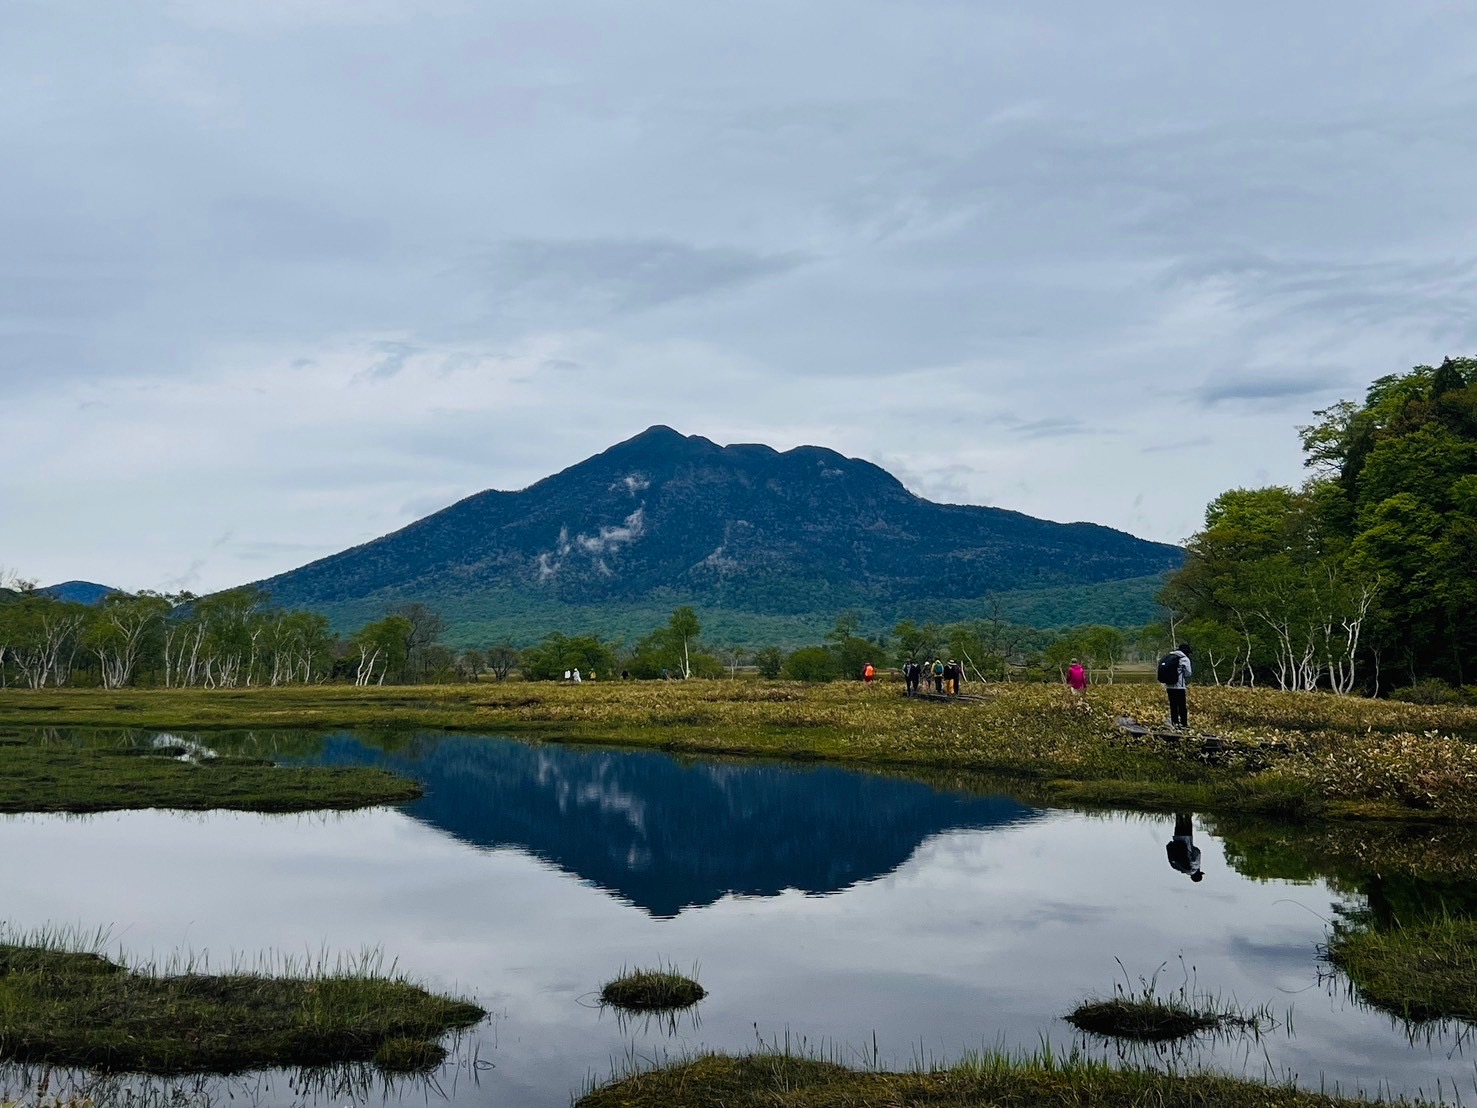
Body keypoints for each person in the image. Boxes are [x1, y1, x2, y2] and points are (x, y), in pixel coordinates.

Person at [1158, 643, 1193, 728]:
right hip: (1179, 686)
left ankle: (1174, 723)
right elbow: (1188, 673)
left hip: (1169, 685)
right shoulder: (1184, 659)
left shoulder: (1169, 657)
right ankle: (1184, 724)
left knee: (1173, 705)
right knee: (1182, 705)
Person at [1166, 812, 1203, 882]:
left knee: (1187, 817)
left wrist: (1192, 849)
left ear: (1198, 873)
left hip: (1187, 838)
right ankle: (1178, 810)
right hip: (1177, 838)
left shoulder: (1195, 867)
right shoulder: (1180, 868)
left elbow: (1197, 852)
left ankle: (1188, 810)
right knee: (1178, 818)